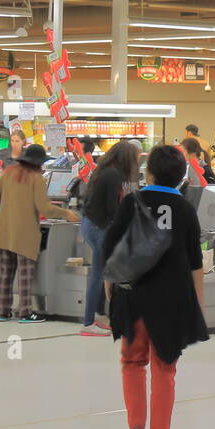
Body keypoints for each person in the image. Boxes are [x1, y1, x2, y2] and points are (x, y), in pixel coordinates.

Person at [103, 143, 208, 429]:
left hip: (133, 296)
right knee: (165, 369)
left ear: (148, 173)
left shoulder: (132, 202)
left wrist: (110, 288)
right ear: (181, 177)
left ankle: (136, 427)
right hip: (171, 300)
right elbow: (195, 264)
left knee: (132, 363)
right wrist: (198, 305)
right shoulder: (187, 210)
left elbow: (111, 245)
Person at [0, 144, 79, 323]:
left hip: (4, 229)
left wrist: (6, 211)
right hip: (25, 232)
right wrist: (66, 213)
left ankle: (3, 312)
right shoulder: (36, 179)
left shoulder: (8, 172)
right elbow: (43, 207)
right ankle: (25, 312)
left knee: (5, 273)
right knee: (25, 274)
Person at [79, 140, 140, 337]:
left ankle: (98, 315)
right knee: (99, 274)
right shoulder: (114, 175)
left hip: (91, 223)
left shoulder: (105, 170)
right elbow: (113, 206)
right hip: (100, 227)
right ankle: (88, 322)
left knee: (102, 271)